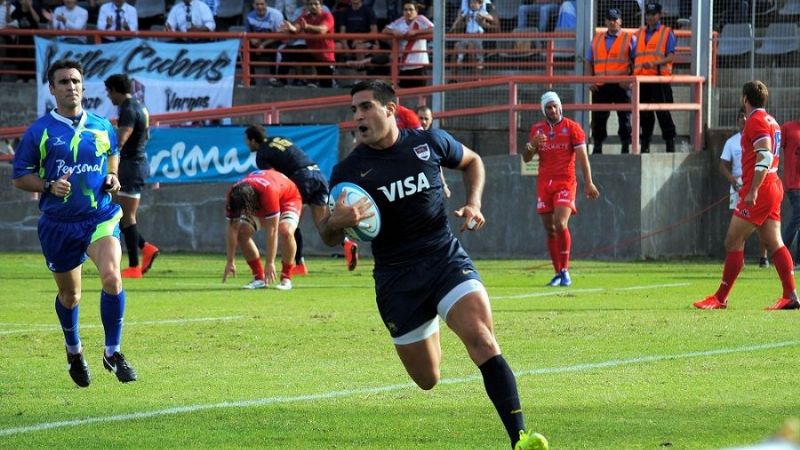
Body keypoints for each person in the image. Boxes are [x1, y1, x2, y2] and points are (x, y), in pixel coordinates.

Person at [319, 80, 549, 450]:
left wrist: (474, 202)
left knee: (483, 341)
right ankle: (432, 318)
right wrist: (336, 221)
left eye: (365, 107)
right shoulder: (347, 172)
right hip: (397, 279)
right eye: (353, 110)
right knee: (428, 378)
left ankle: (520, 438)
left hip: (443, 257)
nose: (357, 117)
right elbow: (328, 237)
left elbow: (472, 162)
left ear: (390, 110)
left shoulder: (427, 143)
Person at [11, 59, 138, 387]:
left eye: (76, 81)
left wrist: (112, 175)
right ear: (52, 89)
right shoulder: (39, 131)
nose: (72, 87)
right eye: (64, 82)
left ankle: (113, 351)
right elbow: (20, 177)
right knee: (71, 297)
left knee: (112, 277)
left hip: (99, 217)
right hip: (58, 224)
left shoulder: (100, 124)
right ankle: (74, 350)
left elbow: (112, 152)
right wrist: (48, 186)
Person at [694, 80, 799, 310]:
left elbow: (765, 157)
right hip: (772, 186)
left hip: (760, 189)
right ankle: (790, 294)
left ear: (745, 99)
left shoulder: (756, 121)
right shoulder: (772, 121)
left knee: (733, 240)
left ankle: (720, 298)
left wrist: (752, 189)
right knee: (774, 242)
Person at [244, 124, 360, 273]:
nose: (247, 144)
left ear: (253, 140)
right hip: (317, 175)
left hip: (301, 179)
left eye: (247, 140)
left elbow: (273, 177)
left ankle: (298, 264)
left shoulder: (261, 155)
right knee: (322, 223)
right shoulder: (279, 139)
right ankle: (347, 243)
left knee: (289, 221)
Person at [523, 91, 600, 287]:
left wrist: (588, 182)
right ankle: (557, 273)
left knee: (560, 222)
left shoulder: (572, 128)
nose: (553, 110)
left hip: (565, 182)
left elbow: (583, 157)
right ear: (544, 110)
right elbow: (526, 158)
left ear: (560, 107)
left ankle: (565, 271)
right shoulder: (537, 130)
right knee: (549, 229)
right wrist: (532, 145)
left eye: (555, 106)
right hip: (544, 184)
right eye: (548, 107)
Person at [104, 73, 160, 279]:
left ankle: (135, 266)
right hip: (135, 164)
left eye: (109, 92)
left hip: (130, 166)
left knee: (126, 217)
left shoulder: (127, 109)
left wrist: (106, 153)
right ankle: (146, 248)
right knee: (119, 215)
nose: (109, 97)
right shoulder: (140, 106)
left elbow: (122, 139)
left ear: (115, 90)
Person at [222, 169, 303, 290]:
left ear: (250, 203)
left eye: (244, 209)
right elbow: (232, 227)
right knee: (241, 232)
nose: (243, 213)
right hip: (260, 199)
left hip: (288, 198)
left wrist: (270, 262)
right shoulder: (234, 195)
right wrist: (230, 261)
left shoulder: (268, 192)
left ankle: (286, 277)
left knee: (285, 231)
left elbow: (272, 230)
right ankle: (259, 278)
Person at [720, 108, 769, 268]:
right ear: (737, 120)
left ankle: (763, 257)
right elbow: (723, 165)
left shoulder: (759, 136)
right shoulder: (732, 142)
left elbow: (765, 157)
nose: (743, 119)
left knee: (762, 226)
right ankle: (737, 260)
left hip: (754, 183)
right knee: (738, 227)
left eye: (744, 116)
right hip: (739, 185)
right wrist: (733, 180)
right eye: (739, 117)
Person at [584, 8, 635, 154]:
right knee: (599, 118)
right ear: (606, 21)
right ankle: (598, 146)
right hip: (601, 85)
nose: (613, 22)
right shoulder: (597, 39)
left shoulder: (630, 38)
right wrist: (589, 80)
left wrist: (630, 81)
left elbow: (636, 62)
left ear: (621, 21)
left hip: (621, 85)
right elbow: (589, 61)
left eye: (615, 19)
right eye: (610, 19)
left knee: (624, 117)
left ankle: (626, 146)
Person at [633, 2, 677, 153]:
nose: (650, 17)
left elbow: (671, 56)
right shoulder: (638, 34)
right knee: (644, 115)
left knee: (663, 113)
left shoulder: (667, 33)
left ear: (660, 15)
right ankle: (645, 146)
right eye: (648, 14)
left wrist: (654, 63)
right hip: (642, 80)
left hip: (659, 80)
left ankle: (670, 145)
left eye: (653, 14)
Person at [277, 0, 336, 88]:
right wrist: (290, 28)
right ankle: (281, 81)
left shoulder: (327, 16)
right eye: (310, 4)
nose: (313, 6)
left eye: (316, 4)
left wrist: (307, 27)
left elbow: (322, 30)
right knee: (287, 51)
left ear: (321, 5)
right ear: (307, 6)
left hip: (324, 54)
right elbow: (296, 28)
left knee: (326, 85)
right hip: (310, 51)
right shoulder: (305, 17)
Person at [382, 1, 434, 88]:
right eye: (405, 10)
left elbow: (434, 29)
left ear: (416, 10)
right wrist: (393, 32)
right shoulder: (400, 21)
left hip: (419, 64)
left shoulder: (421, 19)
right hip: (404, 65)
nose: (408, 12)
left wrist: (416, 32)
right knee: (403, 93)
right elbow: (385, 30)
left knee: (421, 94)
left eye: (411, 9)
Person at [245, 0, 284, 87]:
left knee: (275, 48)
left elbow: (278, 35)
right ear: (253, 5)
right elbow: (247, 34)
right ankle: (250, 78)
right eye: (257, 4)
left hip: (273, 40)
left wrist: (263, 45)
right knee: (244, 48)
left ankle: (273, 77)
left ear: (266, 4)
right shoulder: (249, 16)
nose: (259, 7)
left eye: (262, 4)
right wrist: (252, 40)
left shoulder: (276, 15)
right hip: (258, 41)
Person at [415, 104, 452, 198]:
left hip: (430, 188)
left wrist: (444, 186)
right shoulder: (407, 138)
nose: (423, 121)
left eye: (426, 119)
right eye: (420, 118)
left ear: (431, 120)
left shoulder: (434, 139)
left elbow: (437, 165)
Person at [449, 0, 496, 69]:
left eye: (474, 3)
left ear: (480, 4)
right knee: (462, 43)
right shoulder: (467, 11)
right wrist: (454, 25)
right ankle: (459, 59)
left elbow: (491, 18)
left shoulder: (482, 12)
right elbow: (460, 17)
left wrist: (484, 16)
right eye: (471, 3)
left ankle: (480, 61)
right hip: (468, 34)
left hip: (478, 34)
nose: (472, 4)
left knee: (478, 46)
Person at [781, 119, 800, 266]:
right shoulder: (788, 128)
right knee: (798, 213)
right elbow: (773, 150)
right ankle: (780, 252)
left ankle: (797, 260)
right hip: (794, 183)